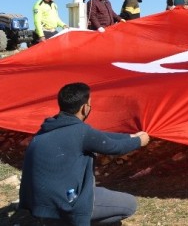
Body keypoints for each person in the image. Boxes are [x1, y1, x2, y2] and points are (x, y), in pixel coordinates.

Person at [19, 82, 150, 225]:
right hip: (66, 202)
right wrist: (139, 141)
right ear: (84, 108)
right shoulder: (81, 132)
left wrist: (129, 136)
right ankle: (75, 219)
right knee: (129, 204)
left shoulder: (48, 127)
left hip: (40, 205)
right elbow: (113, 147)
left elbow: (100, 137)